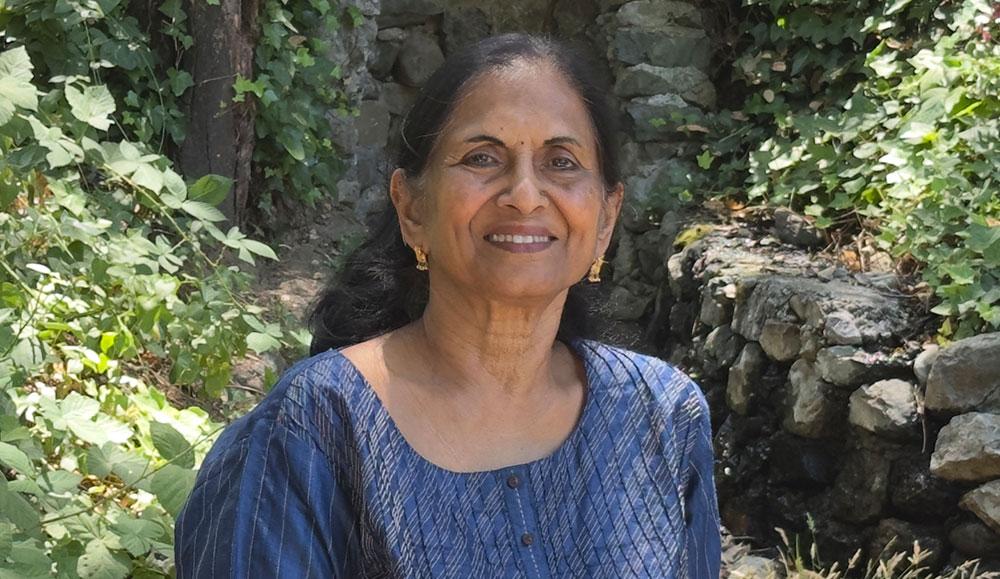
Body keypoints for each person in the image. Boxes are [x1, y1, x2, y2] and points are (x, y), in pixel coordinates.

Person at [174, 33, 721, 578]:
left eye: (561, 161)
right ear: (411, 207)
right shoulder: (310, 433)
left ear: (606, 216)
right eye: (483, 157)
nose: (525, 195)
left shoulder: (661, 417)